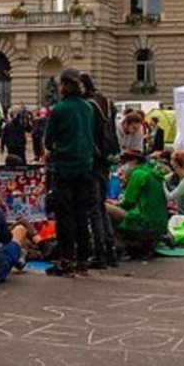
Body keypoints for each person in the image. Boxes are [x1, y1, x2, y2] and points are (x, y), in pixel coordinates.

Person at [43, 68, 94, 277]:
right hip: (85, 166)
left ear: (62, 85)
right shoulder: (87, 107)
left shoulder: (59, 109)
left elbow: (48, 140)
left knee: (65, 215)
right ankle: (83, 259)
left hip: (64, 167)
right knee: (82, 213)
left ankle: (66, 260)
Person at [80, 73, 120, 269]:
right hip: (106, 159)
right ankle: (110, 249)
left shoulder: (88, 106)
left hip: (93, 160)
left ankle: (100, 252)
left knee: (94, 208)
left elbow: (87, 136)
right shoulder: (107, 102)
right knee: (101, 205)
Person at [108, 152, 169, 259]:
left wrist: (114, 203)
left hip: (144, 220)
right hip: (160, 223)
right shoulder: (152, 173)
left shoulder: (138, 174)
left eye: (125, 162)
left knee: (105, 208)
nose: (123, 166)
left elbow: (128, 202)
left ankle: (119, 246)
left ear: (134, 161)